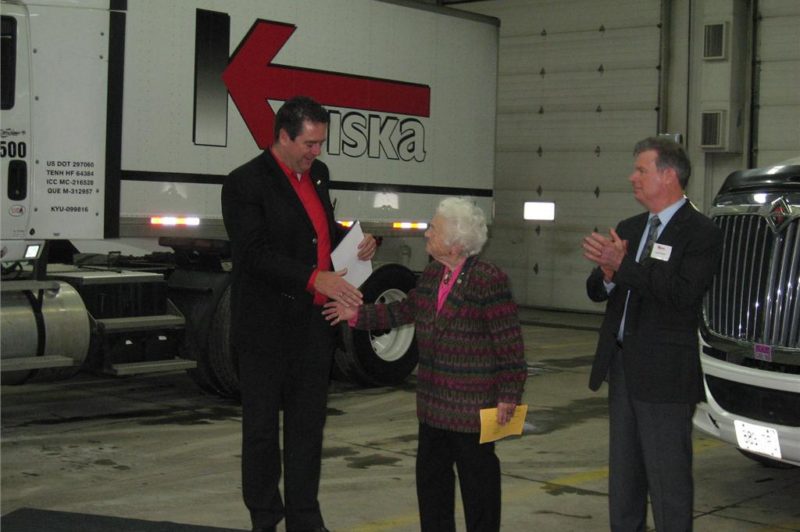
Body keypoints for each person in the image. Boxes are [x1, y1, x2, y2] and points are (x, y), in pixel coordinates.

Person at [324, 197, 527, 532]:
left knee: (480, 490)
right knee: (432, 489)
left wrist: (509, 395)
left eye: (433, 228)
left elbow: (509, 345)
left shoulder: (488, 280)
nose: (426, 234)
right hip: (432, 407)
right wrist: (358, 314)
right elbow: (404, 311)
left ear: (456, 241)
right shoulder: (433, 274)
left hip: (471, 410)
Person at [221, 96, 377, 532]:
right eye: (309, 143)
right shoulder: (244, 184)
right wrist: (314, 279)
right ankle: (266, 517)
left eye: (321, 143)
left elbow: (318, 231)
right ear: (283, 137)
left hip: (313, 327)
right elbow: (253, 254)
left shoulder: (319, 176)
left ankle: (306, 519)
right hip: (266, 329)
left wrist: (360, 241)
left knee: (308, 429)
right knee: (262, 432)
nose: (317, 153)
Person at [582, 136, 722, 531]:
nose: (632, 178)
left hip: (665, 376)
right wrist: (608, 275)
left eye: (641, 170)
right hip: (623, 368)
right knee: (623, 480)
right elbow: (596, 290)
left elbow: (682, 294)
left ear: (669, 175)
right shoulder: (629, 228)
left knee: (668, 481)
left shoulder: (700, 233)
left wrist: (622, 266)